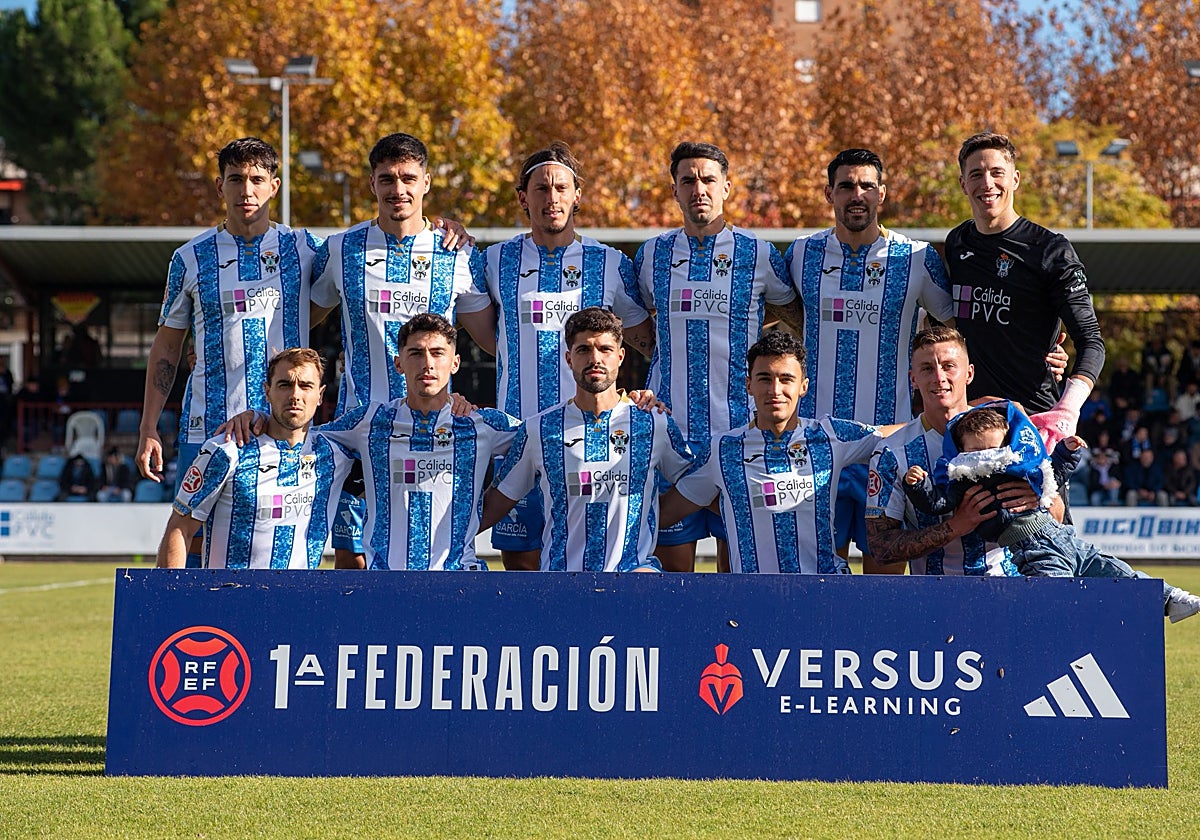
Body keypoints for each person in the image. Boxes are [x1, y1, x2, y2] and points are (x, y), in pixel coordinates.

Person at [310, 132, 493, 569]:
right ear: (372, 183)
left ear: (426, 182)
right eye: (387, 179)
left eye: (408, 178)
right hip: (359, 431)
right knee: (354, 561)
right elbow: (299, 320)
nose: (398, 189)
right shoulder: (340, 249)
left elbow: (495, 341)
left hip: (435, 434)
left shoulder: (458, 253)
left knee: (434, 555)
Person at [471, 142, 654, 571]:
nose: (551, 197)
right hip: (518, 437)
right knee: (522, 571)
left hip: (591, 442)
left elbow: (645, 342)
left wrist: (639, 393)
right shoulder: (494, 260)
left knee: (592, 561)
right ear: (523, 197)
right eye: (540, 188)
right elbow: (493, 341)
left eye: (560, 188)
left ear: (577, 195)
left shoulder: (610, 263)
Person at [634, 141, 803, 572]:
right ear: (674, 189)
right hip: (670, 439)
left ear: (726, 187)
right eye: (688, 180)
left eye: (708, 179)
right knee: (673, 583)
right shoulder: (652, 254)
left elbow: (794, 314)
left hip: (740, 438)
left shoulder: (757, 253)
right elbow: (636, 324)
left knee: (739, 579)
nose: (699, 189)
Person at [785, 148, 956, 574]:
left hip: (889, 447)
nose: (856, 194)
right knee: (818, 582)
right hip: (817, 447)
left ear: (882, 192)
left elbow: (960, 332)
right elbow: (761, 312)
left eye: (866, 185)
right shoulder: (801, 254)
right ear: (829, 193)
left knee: (885, 585)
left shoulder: (916, 258)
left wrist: (1047, 350)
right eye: (846, 186)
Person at [903, 404, 1200, 623]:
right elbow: (937, 503)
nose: (988, 458)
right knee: (1057, 608)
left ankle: (1171, 599)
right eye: (977, 452)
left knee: (1118, 573)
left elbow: (1051, 475)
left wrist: (1066, 452)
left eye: (994, 448)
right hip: (1035, 551)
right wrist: (918, 486)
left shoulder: (1023, 467)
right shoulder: (963, 483)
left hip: (1066, 538)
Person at [659, 331, 892, 574]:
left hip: (824, 589)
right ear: (749, 385)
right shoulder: (723, 449)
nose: (775, 390)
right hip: (754, 592)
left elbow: (896, 436)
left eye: (786, 379)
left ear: (803, 386)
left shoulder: (829, 435)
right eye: (764, 378)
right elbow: (664, 514)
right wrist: (638, 410)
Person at [481, 308, 693, 572]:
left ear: (620, 356)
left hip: (634, 579)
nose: (595, 359)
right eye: (584, 350)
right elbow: (494, 504)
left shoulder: (654, 423)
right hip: (561, 581)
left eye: (605, 349)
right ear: (569, 359)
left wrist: (655, 517)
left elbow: (697, 485)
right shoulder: (539, 429)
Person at [313, 313, 522, 570]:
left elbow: (542, 439)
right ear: (398, 363)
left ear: (455, 363)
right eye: (416, 353)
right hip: (384, 579)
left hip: (461, 578)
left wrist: (487, 508)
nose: (427, 364)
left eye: (437, 353)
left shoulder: (482, 423)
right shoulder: (369, 420)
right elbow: (302, 441)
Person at [945, 132, 1106, 446]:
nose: (987, 183)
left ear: (1015, 179)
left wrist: (1067, 411)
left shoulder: (1050, 250)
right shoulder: (957, 243)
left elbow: (1092, 342)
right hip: (972, 426)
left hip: (1034, 425)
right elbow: (949, 325)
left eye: (997, 172)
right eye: (976, 174)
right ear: (963, 184)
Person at [866, 326, 1037, 576]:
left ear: (969, 373)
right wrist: (955, 526)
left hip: (1011, 585)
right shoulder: (892, 451)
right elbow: (880, 547)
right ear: (913, 379)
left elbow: (1057, 512)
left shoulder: (1010, 429)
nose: (939, 377)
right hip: (934, 593)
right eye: (927, 368)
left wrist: (1036, 496)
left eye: (949, 366)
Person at [156, 348, 348, 569]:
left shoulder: (335, 454)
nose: (295, 395)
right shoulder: (226, 451)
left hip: (300, 592)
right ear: (267, 392)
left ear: (320, 395)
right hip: (228, 590)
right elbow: (179, 527)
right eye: (284, 385)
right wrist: (169, 589)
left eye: (305, 386)